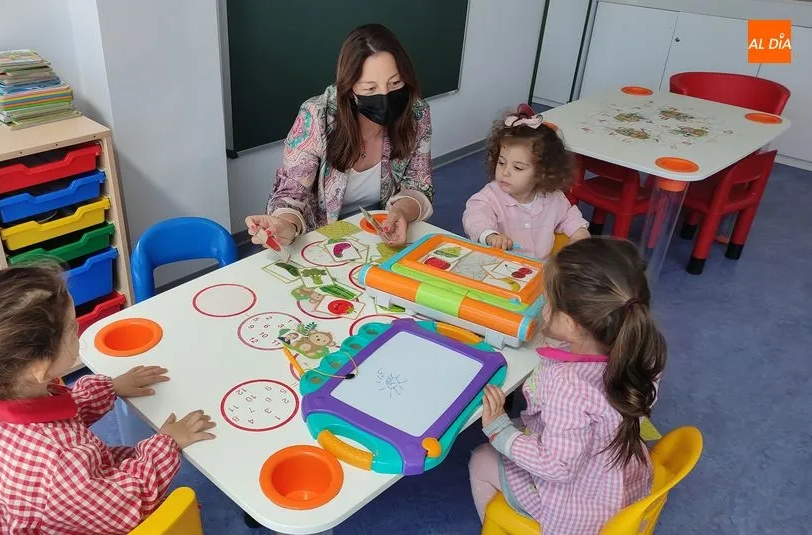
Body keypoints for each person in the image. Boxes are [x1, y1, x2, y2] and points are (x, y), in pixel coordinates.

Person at [0, 265, 216, 534]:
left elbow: (62, 412)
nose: (80, 329)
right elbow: (123, 505)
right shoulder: (57, 470)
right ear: (39, 368)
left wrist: (111, 387)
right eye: (72, 328)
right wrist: (166, 445)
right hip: (82, 512)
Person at [468, 237, 667, 534]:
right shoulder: (643, 346)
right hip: (621, 479)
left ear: (575, 324)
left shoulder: (569, 387)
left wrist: (499, 430)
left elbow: (557, 468)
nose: (542, 307)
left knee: (480, 459)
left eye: (547, 302)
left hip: (580, 507)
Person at [245, 23, 434, 248]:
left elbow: (419, 185)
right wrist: (284, 225)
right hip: (322, 239)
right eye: (370, 89)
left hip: (381, 233)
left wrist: (401, 212)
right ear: (349, 88)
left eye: (395, 83)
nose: (385, 96)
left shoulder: (416, 113)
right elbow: (293, 191)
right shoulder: (316, 116)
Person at [463, 104, 590, 260]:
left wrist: (580, 233)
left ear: (542, 173)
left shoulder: (552, 198)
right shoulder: (490, 196)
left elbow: (569, 217)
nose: (505, 172)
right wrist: (491, 236)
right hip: (499, 267)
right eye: (501, 163)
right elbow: (475, 216)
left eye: (518, 167)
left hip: (539, 269)